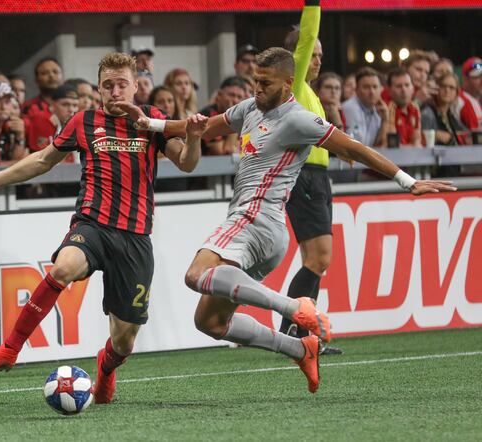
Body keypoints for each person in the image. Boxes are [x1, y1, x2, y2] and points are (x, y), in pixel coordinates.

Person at [118, 46, 455, 394]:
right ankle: (299, 348)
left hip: (254, 218)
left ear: (288, 82)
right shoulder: (250, 107)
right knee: (210, 322)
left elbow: (353, 147)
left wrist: (407, 181)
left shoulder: (297, 118)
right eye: (255, 81)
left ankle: (295, 307)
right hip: (269, 235)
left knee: (196, 274)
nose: (257, 88)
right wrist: (150, 123)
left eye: (265, 82)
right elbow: (204, 127)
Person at [0, 52, 207, 405]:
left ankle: (106, 370)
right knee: (62, 267)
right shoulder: (84, 121)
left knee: (124, 342)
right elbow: (44, 159)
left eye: (122, 84)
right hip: (92, 224)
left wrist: (195, 137)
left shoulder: (153, 120)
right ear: (99, 88)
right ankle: (9, 349)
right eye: (108, 85)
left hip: (135, 237)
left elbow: (186, 162)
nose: (115, 91)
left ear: (136, 86)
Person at [278, 0, 342, 355]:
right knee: (318, 259)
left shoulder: (310, 94)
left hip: (314, 178)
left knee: (316, 260)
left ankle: (301, 335)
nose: (318, 59)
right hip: (305, 178)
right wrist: (313, 5)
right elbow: (307, 35)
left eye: (320, 55)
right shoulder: (295, 82)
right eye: (312, 54)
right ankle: (293, 332)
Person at [198, 76, 246, 155]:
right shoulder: (208, 115)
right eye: (231, 95)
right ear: (219, 95)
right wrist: (234, 118)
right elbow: (222, 152)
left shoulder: (244, 118)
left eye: (239, 97)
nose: (235, 100)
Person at [342, 67, 388, 147]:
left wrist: (385, 120)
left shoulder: (379, 110)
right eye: (366, 87)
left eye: (375, 87)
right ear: (356, 90)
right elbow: (357, 145)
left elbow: (379, 145)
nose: (372, 92)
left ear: (381, 89)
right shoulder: (349, 108)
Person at [26, 84, 79, 152]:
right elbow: (42, 157)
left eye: (75, 105)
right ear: (52, 104)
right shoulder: (41, 119)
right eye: (65, 104)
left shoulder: (75, 122)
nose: (71, 110)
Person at [387, 68, 421, 147]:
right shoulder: (387, 109)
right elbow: (393, 146)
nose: (404, 90)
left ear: (413, 88)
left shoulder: (415, 108)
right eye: (399, 86)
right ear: (389, 90)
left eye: (407, 85)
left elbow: (417, 141)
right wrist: (413, 147)